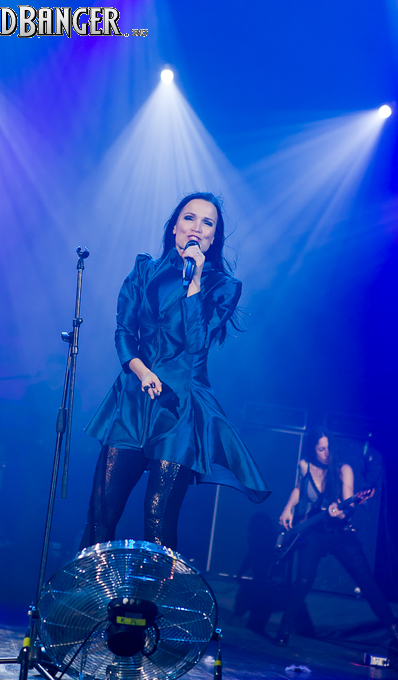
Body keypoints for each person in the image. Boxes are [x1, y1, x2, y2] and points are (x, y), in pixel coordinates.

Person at [79, 192, 270, 552]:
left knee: (158, 519)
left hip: (179, 406)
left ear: (213, 237)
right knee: (101, 512)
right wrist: (141, 372)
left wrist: (194, 282)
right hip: (134, 398)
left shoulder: (223, 287)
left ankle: (160, 590)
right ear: (174, 226)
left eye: (207, 223)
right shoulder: (143, 270)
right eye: (189, 218)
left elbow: (197, 344)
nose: (196, 227)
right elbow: (124, 332)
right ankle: (87, 587)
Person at [275, 427, 397, 655]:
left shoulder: (343, 469)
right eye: (321, 449)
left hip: (340, 533)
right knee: (303, 579)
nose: (326, 453)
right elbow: (299, 489)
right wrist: (288, 508)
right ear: (313, 449)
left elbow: (349, 506)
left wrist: (340, 513)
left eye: (328, 448)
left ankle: (394, 632)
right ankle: (283, 629)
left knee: (367, 582)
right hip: (314, 532)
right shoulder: (305, 465)